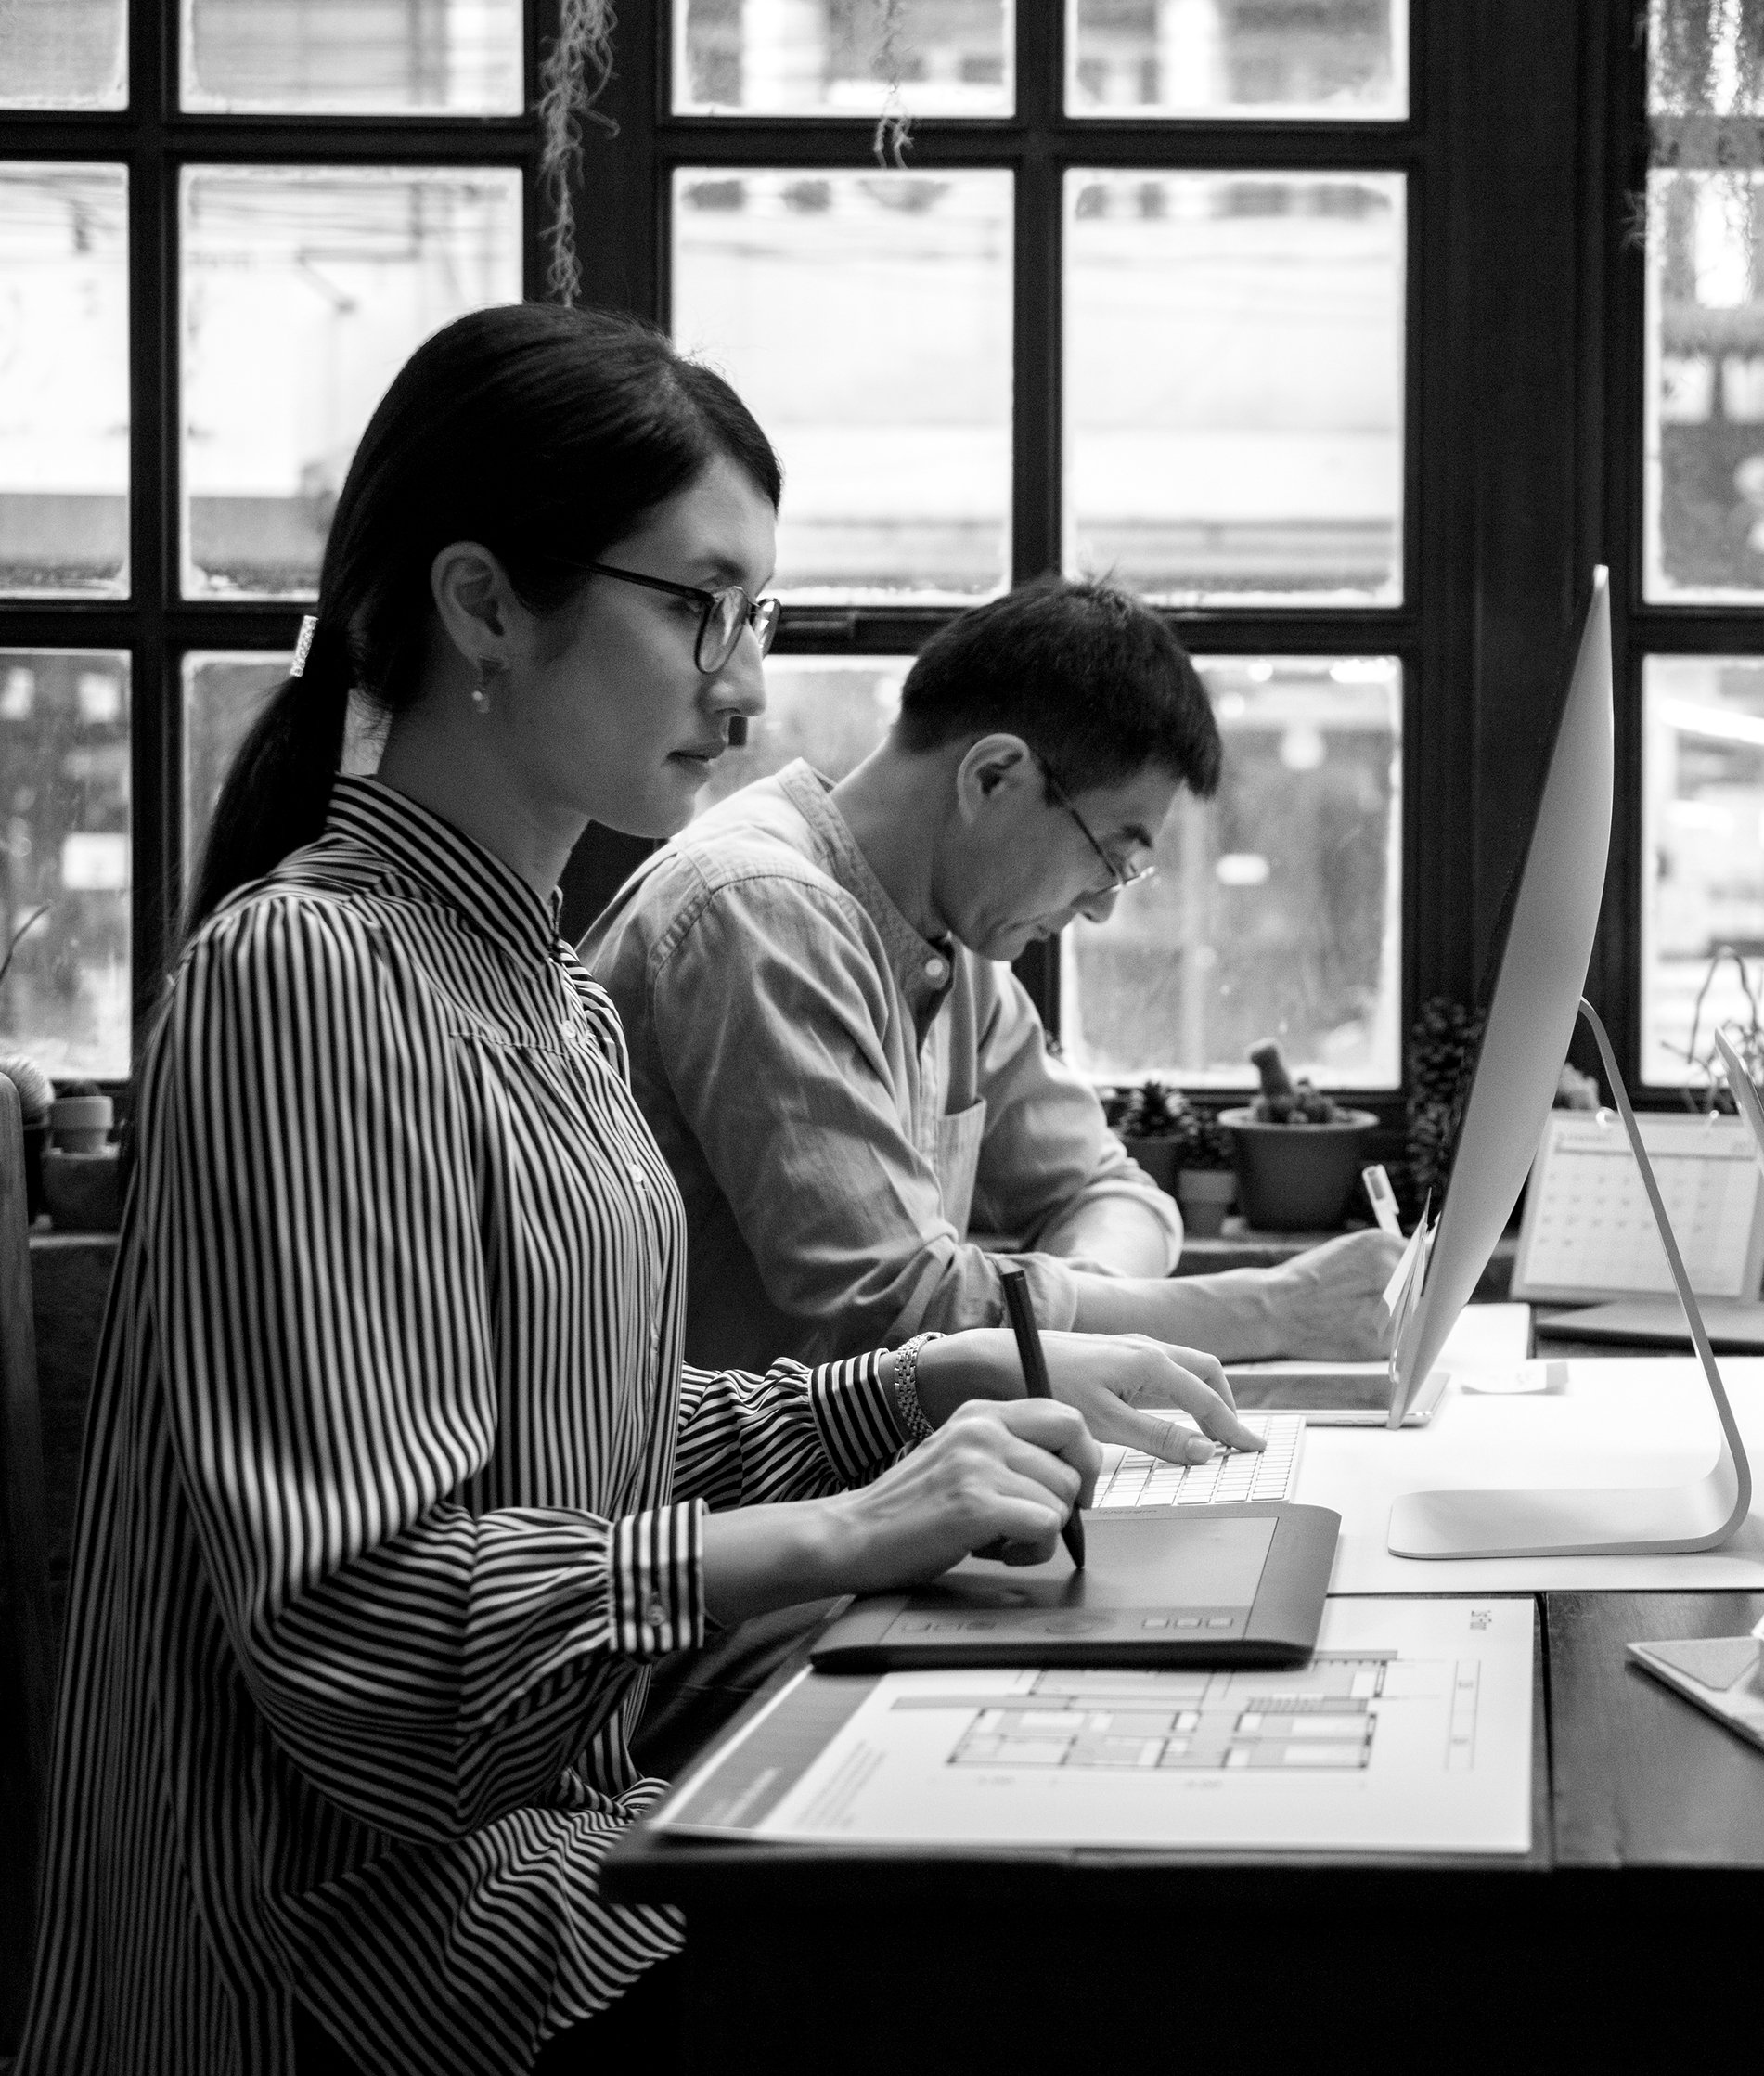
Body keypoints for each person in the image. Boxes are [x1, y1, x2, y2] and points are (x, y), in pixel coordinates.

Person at [17, 303, 1262, 2076]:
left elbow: (583, 1438)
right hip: (349, 1963)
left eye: (753, 618)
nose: (744, 686)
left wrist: (916, 1390)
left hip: (544, 1855)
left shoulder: (547, 991)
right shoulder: (304, 974)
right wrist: (849, 1530)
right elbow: (369, 1649)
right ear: (484, 607)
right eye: (698, 608)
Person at [576, 574, 1403, 1375]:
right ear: (993, 776)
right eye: (1112, 856)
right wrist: (1273, 1307)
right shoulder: (759, 911)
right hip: (712, 1504)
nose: (1103, 908)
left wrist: (1088, 1319)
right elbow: (902, 1310)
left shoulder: (952, 949)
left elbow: (1112, 1192)